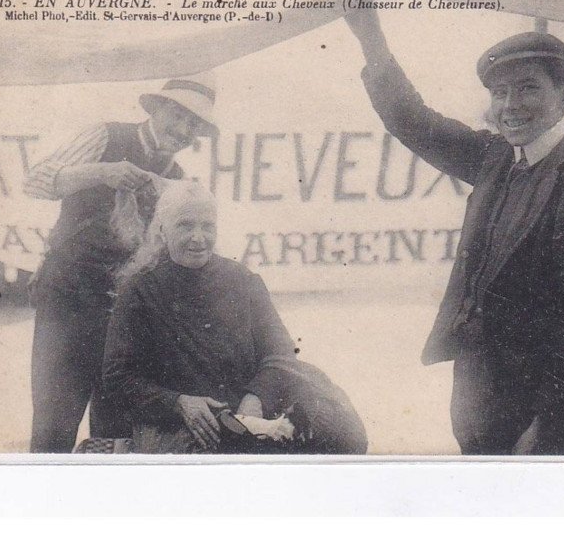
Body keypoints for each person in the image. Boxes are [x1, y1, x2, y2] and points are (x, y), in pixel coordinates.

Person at [345, 6, 564, 455]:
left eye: (528, 88)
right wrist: (370, 39)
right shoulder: (495, 159)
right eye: (500, 92)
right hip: (476, 405)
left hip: (533, 424)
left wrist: (548, 432)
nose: (510, 106)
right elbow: (413, 121)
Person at [24, 74, 218, 452]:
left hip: (120, 314)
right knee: (54, 424)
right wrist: (102, 172)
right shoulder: (105, 136)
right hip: (68, 301)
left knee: (114, 430)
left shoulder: (177, 179)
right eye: (178, 115)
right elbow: (34, 181)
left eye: (193, 124)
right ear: (157, 108)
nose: (183, 130)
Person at [102, 181, 367, 455]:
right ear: (162, 230)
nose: (198, 237)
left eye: (207, 226)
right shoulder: (139, 290)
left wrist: (257, 398)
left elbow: (280, 352)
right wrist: (178, 403)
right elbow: (117, 377)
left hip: (248, 415)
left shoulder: (242, 281)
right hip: (176, 422)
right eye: (185, 225)